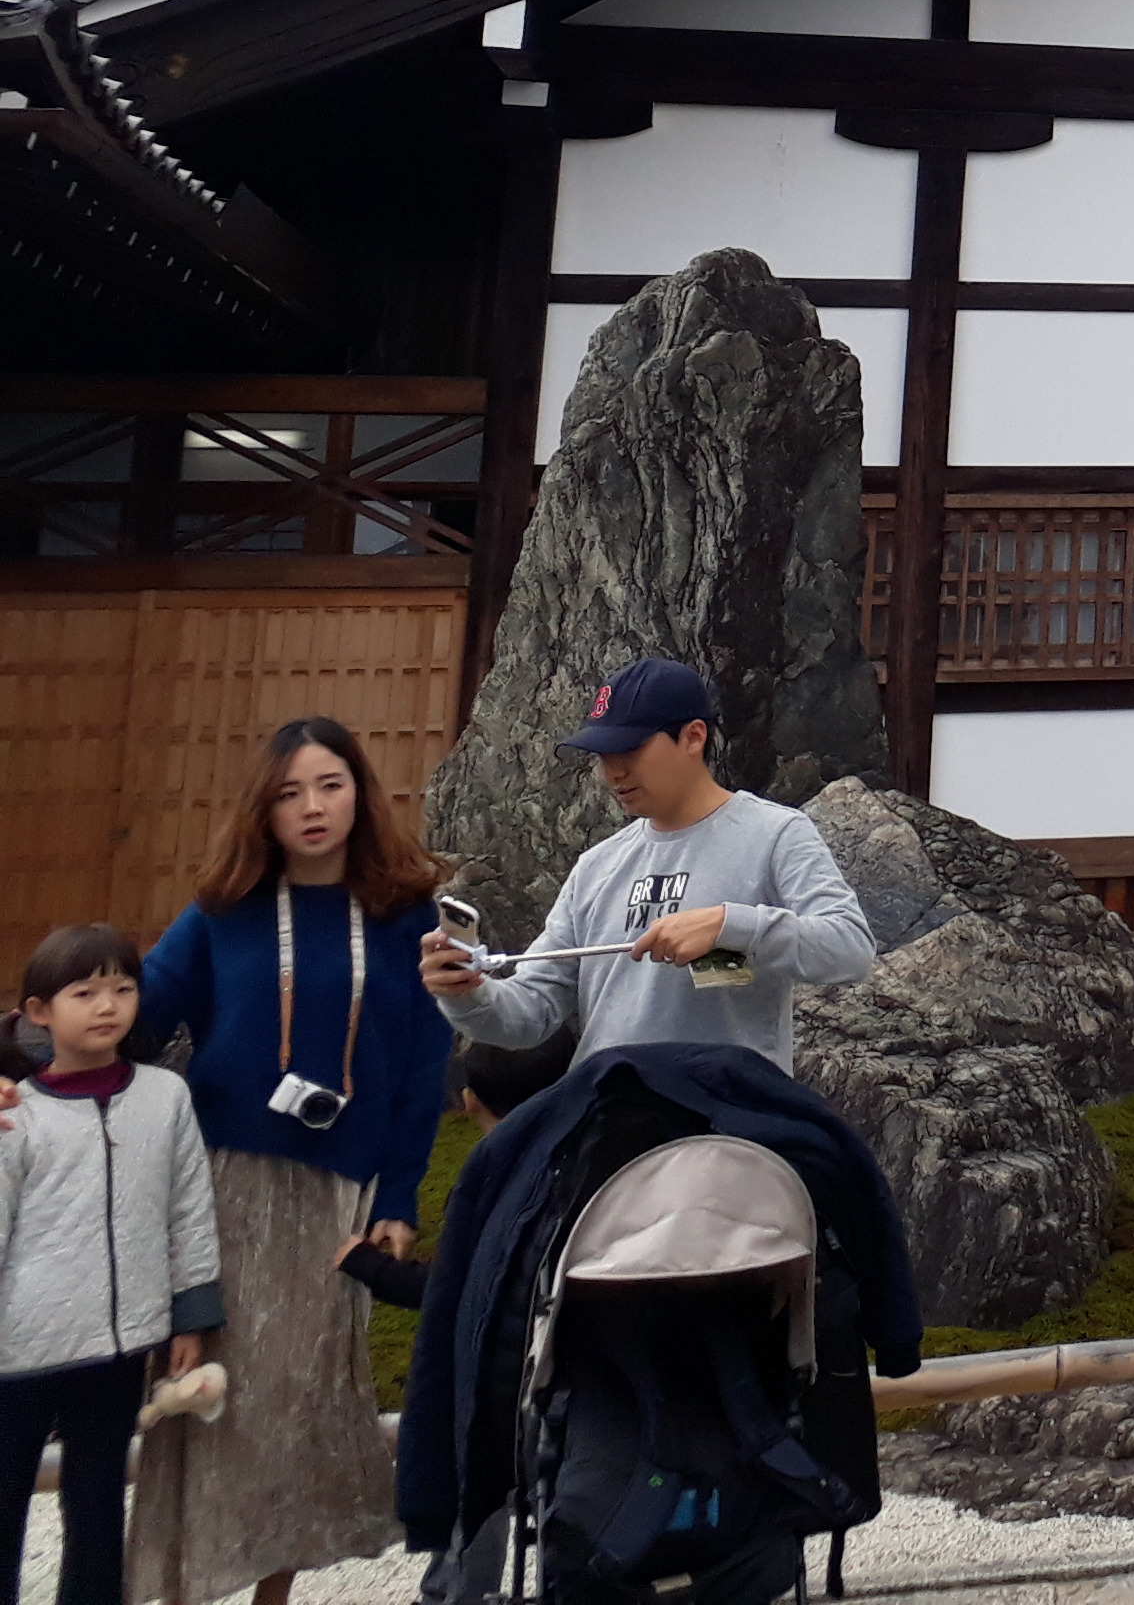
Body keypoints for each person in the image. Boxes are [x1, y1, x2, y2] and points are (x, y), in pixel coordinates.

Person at [127, 719, 457, 1605]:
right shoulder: (222, 912)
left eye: (330, 786)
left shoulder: (402, 915)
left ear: (359, 792)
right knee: (208, 1388)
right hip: (223, 1183)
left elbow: (424, 1068)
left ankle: (272, 1591)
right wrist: (40, 1052)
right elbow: (142, 1013)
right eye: (289, 792)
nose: (312, 808)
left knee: (301, 1396)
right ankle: (183, 1583)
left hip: (337, 1194)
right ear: (263, 808)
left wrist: (399, 1192)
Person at [416, 660, 874, 1072]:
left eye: (630, 750)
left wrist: (728, 925)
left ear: (694, 736)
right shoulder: (597, 867)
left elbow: (850, 948)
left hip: (727, 1128)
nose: (612, 772)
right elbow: (529, 1014)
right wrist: (466, 993)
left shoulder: (775, 834)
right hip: (606, 1118)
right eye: (602, 755)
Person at [1, 927, 221, 1605]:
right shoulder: (16, 1117)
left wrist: (192, 1313)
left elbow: (189, 1208)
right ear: (39, 1011)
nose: (107, 1005)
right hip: (19, 1354)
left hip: (123, 1349)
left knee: (97, 1510)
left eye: (123, 989)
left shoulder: (164, 1098)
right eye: (85, 991)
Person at [329, 1032, 579, 1317]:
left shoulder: (492, 1185)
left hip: (524, 1346)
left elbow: (461, 1287)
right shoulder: (588, 1157)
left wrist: (367, 1265)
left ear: (469, 1099)